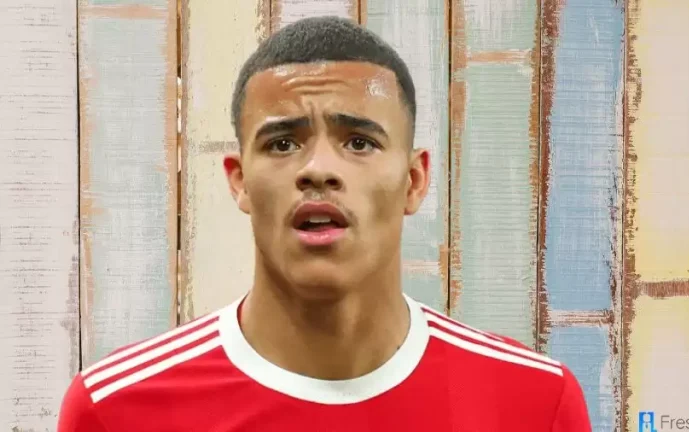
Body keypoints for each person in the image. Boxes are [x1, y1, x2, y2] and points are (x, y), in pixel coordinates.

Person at [58, 15, 591, 431]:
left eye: (359, 142)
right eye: (282, 143)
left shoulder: (534, 402)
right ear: (240, 181)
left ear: (414, 180)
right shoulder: (115, 409)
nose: (317, 169)